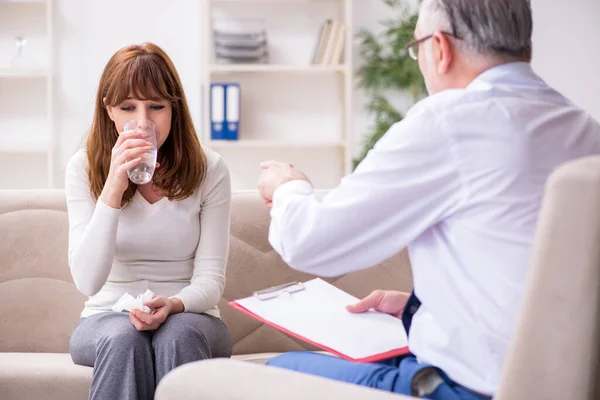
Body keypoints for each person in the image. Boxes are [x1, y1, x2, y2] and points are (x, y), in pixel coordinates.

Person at [257, 0, 600, 398]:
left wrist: (287, 186)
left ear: (439, 47)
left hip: (467, 389)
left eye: (416, 46)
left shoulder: (450, 120)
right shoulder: (583, 128)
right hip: (554, 383)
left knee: (275, 371)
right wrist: (419, 308)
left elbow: (308, 241)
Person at [65, 43, 232, 400]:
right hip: (105, 317)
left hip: (192, 316)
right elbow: (87, 281)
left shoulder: (209, 169)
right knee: (124, 338)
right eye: (128, 107)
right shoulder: (82, 168)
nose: (142, 122)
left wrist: (173, 304)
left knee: (178, 334)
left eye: (156, 106)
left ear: (174, 110)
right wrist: (113, 187)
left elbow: (211, 280)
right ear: (109, 110)